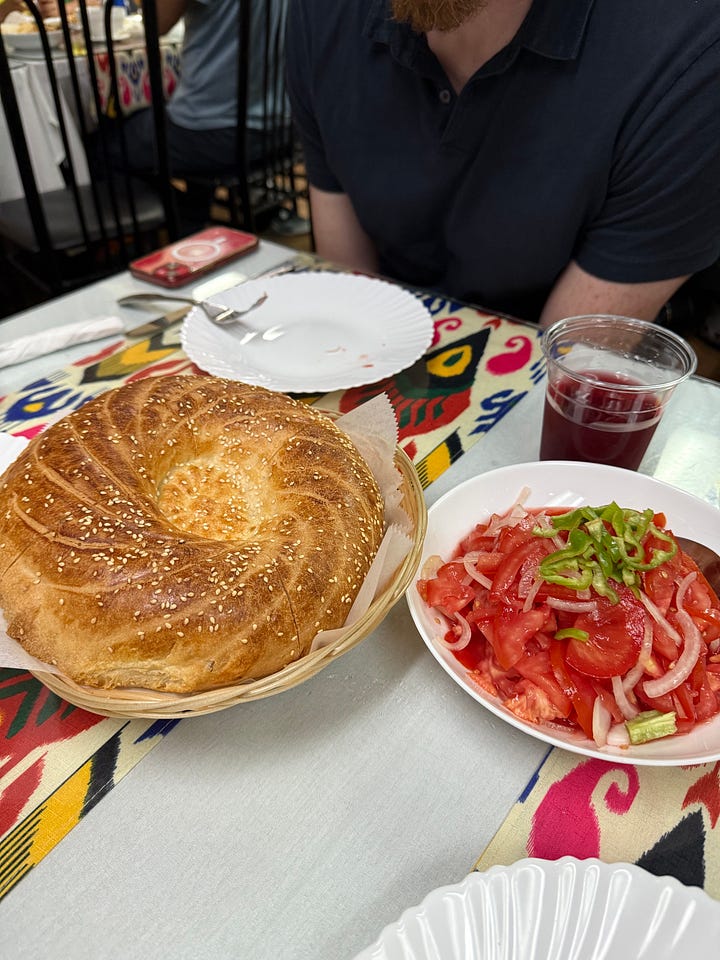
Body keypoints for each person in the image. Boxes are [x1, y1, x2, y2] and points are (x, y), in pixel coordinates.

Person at [286, 0, 720, 328]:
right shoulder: (324, 13)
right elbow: (351, 306)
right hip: (376, 340)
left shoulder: (689, 55)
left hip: (540, 378)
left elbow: (564, 368)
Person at [117, 0, 285, 229]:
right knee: (171, 116)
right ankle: (192, 212)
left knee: (100, 147)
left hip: (215, 134)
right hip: (280, 127)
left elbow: (156, 23)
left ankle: (182, 216)